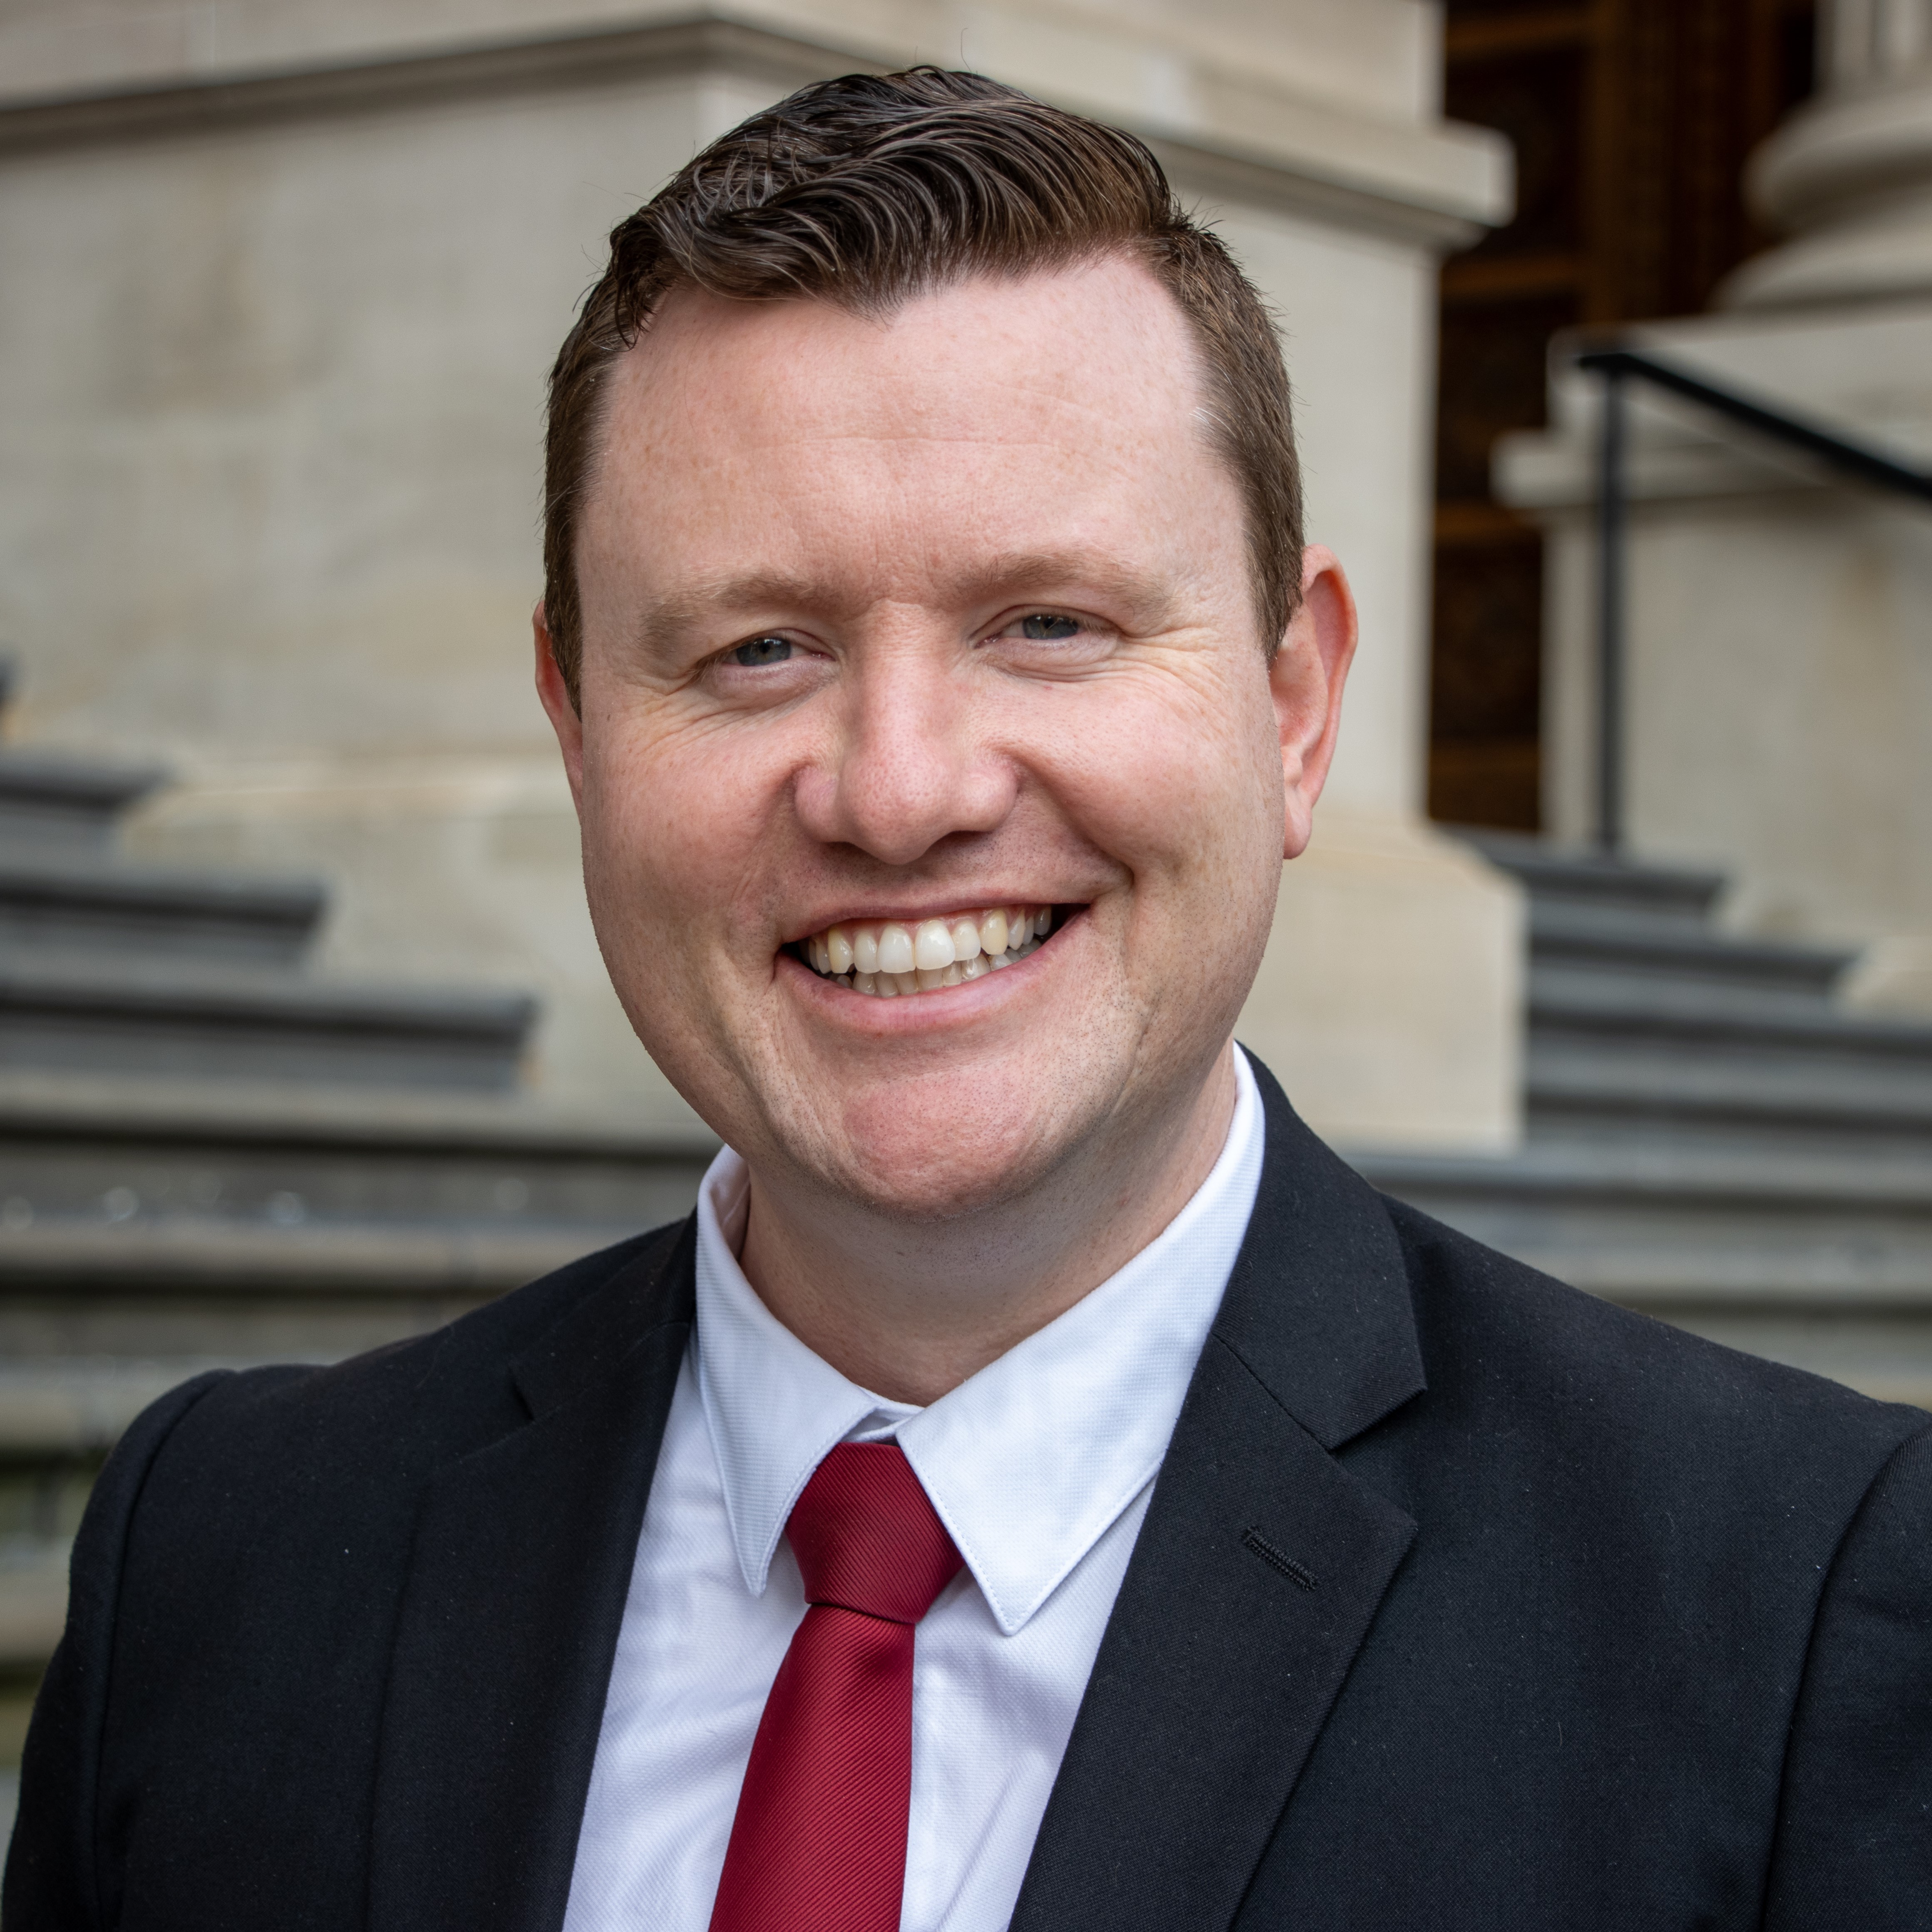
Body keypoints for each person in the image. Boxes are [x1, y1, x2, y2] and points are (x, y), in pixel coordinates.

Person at [7, 67, 1929, 1932]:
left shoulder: (1792, 1620)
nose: (903, 786)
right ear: (578, 728)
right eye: (759, 648)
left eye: (1049, 625)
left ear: (1291, 710)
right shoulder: (228, 1551)